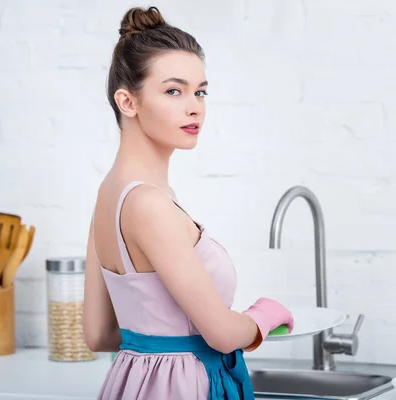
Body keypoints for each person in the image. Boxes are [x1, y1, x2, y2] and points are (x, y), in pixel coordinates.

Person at [82, 6, 294, 399]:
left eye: (200, 91)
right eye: (173, 91)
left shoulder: (107, 197)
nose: (195, 105)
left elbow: (99, 335)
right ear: (128, 102)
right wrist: (268, 314)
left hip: (133, 383)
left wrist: (156, 344)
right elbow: (222, 334)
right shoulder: (148, 204)